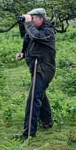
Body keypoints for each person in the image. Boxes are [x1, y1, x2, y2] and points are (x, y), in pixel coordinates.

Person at [15, 8, 56, 139]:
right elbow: (27, 38)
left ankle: (28, 133)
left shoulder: (48, 31)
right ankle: (47, 122)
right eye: (30, 18)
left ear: (41, 18)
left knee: (33, 98)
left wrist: (28, 23)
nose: (31, 21)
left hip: (44, 69)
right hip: (35, 65)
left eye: (33, 18)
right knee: (40, 93)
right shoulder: (34, 29)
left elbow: (36, 36)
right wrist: (24, 53)